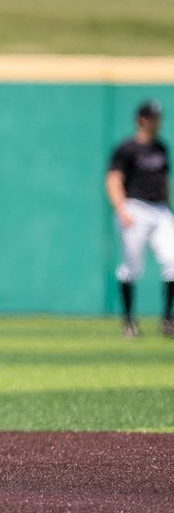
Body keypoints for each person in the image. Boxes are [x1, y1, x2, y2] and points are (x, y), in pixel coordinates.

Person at [106, 99, 174, 339]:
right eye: (152, 117)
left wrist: (167, 208)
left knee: (172, 260)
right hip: (134, 208)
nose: (157, 122)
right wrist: (121, 209)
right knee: (131, 266)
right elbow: (113, 179)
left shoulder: (161, 149)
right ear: (141, 120)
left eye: (158, 117)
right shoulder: (127, 148)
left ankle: (168, 320)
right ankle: (128, 322)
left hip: (159, 210)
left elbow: (164, 181)